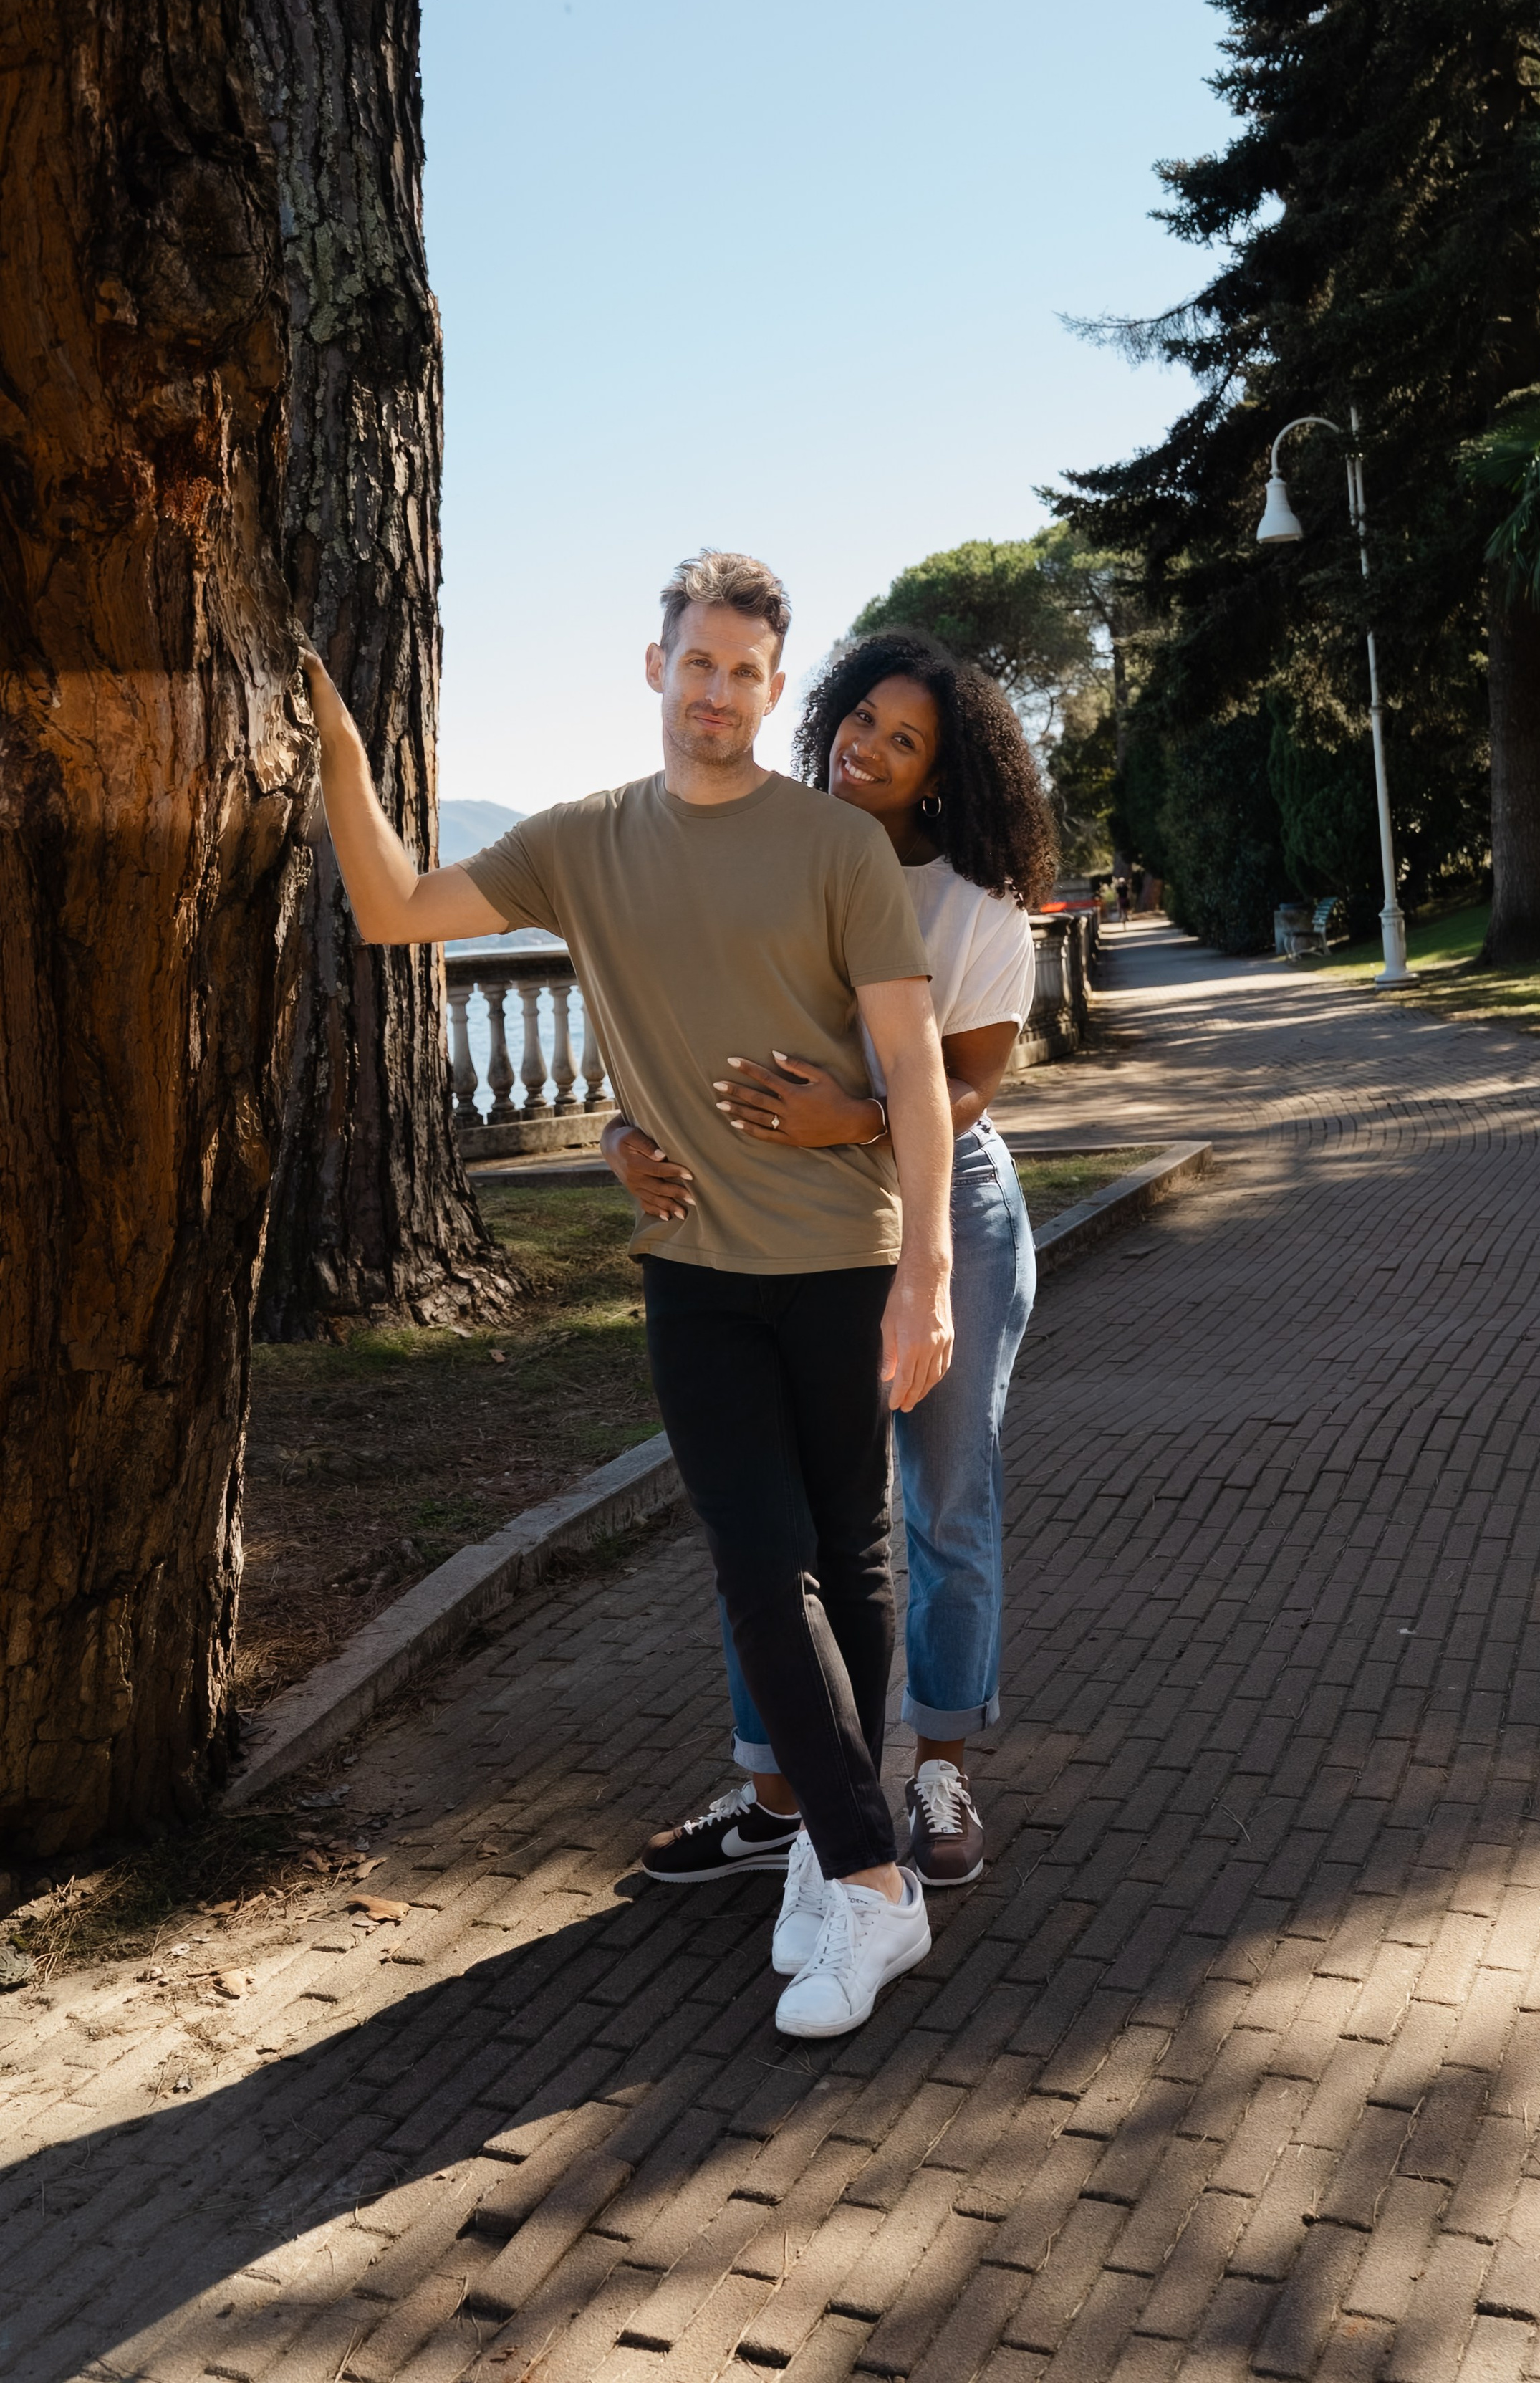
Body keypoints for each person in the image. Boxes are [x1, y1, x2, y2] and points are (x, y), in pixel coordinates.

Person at [297, 552, 958, 2043]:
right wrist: (343, 753)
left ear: (773, 690)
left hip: (843, 1261)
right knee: (755, 1556)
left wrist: (925, 1271)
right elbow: (396, 905)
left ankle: (826, 1849)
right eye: (696, 662)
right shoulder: (582, 843)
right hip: (696, 1272)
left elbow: (911, 1073)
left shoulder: (835, 850)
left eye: (744, 672)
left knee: (848, 1564)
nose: (717, 692)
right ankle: (871, 1872)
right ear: (652, 668)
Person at [613, 628, 1054, 1962]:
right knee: (785, 1529)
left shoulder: (973, 907)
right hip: (794, 1222)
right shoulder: (777, 845)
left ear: (943, 774)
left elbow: (972, 1085)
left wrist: (858, 1118)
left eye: (903, 740)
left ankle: (937, 1766)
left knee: (946, 1496)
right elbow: (682, 1023)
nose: (866, 746)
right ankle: (779, 1795)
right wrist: (621, 1139)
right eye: (860, 717)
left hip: (947, 1213)